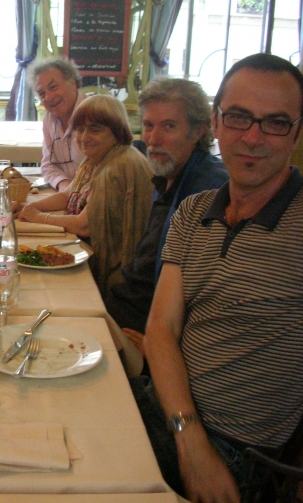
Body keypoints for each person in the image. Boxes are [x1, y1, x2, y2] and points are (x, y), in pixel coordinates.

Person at [136, 53, 303, 502]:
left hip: (237, 452)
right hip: (167, 414)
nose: (252, 137)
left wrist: (196, 447)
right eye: (239, 117)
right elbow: (161, 329)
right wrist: (188, 438)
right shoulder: (193, 211)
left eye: (276, 123)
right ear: (215, 121)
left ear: (298, 132)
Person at [102, 79, 228, 352]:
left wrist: (160, 349)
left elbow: (208, 297)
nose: (153, 139)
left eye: (169, 126)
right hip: (128, 308)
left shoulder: (208, 190)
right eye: (148, 125)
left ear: (198, 131)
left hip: (147, 330)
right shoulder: (167, 174)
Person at [16, 94, 153, 294]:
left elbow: (85, 225)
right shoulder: (97, 158)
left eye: (95, 130)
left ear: (116, 130)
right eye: (80, 129)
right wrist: (27, 208)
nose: (84, 137)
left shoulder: (119, 166)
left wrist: (38, 217)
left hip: (120, 276)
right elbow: (67, 196)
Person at [27, 57, 87, 190]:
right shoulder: (49, 120)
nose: (48, 97)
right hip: (67, 197)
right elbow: (48, 165)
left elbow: (108, 169)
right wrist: (63, 184)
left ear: (73, 83)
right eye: (41, 93)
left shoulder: (96, 114)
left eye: (53, 87)